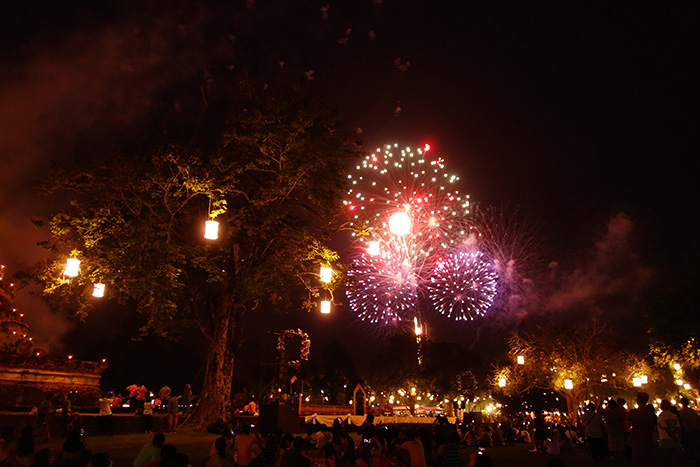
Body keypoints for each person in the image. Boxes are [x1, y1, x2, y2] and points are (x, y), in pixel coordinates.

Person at [628, 391, 657, 467]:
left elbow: (627, 424)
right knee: (648, 460)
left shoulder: (633, 413)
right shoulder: (651, 413)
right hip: (649, 438)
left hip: (637, 439)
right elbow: (655, 427)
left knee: (638, 460)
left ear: (637, 400)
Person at [657, 399, 682, 467]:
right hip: (675, 442)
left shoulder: (661, 416)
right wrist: (675, 436)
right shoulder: (673, 416)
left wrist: (672, 435)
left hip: (665, 441)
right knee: (676, 461)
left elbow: (665, 428)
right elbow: (678, 427)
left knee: (664, 462)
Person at [679, 397, 699, 463]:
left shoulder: (682, 411)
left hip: (688, 430)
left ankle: (691, 459)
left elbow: (684, 420)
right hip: (695, 429)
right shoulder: (692, 411)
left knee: (689, 445)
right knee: (695, 445)